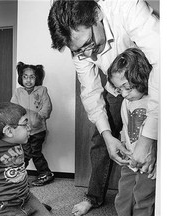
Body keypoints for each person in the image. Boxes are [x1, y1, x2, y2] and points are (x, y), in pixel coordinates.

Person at [47, 0, 159, 215]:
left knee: (155, 138)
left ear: (97, 14)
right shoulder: (79, 47)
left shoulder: (127, 8)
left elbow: (165, 62)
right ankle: (94, 197)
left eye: (89, 44)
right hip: (115, 88)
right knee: (101, 140)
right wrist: (108, 135)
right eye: (79, 51)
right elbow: (89, 91)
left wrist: (149, 137)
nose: (88, 55)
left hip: (150, 82)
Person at [107, 48, 156, 216]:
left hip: (148, 163)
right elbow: (125, 126)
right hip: (130, 160)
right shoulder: (126, 102)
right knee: (123, 196)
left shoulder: (154, 102)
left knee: (143, 198)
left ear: (141, 78)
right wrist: (122, 143)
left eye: (127, 88)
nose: (124, 94)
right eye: (119, 89)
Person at [11, 62, 54, 187]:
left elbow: (47, 106)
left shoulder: (42, 90)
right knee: (25, 153)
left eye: (32, 77)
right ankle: (19, 175)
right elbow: (13, 107)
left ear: (37, 78)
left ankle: (45, 173)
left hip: (38, 130)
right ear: (21, 78)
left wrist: (40, 116)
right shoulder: (18, 92)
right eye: (25, 76)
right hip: (23, 130)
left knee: (34, 152)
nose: (28, 80)